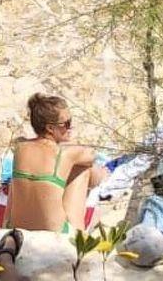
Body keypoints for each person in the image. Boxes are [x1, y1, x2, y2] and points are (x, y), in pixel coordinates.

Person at [6, 93, 105, 234]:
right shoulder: (66, 153)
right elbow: (91, 157)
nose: (70, 128)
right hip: (55, 235)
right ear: (50, 128)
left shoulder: (20, 147)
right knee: (84, 171)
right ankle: (80, 233)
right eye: (66, 124)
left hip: (16, 229)